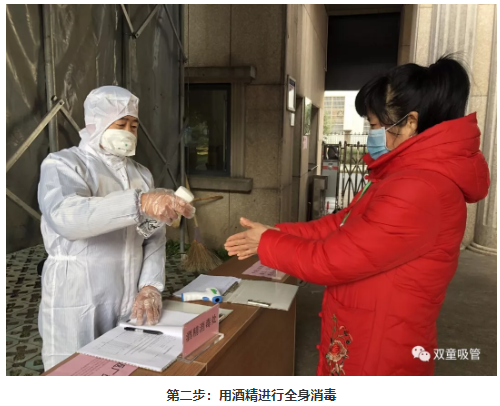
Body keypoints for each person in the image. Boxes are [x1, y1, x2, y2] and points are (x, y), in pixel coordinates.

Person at [225, 56, 490, 376]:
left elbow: (332, 259)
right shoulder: (404, 177)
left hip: (378, 352)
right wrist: (278, 233)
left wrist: (268, 243)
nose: (371, 135)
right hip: (370, 331)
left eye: (376, 126)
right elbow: (342, 225)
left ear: (410, 122)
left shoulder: (419, 189)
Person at [37, 86, 195, 371]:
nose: (128, 132)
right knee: (73, 375)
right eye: (120, 124)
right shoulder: (64, 164)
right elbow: (67, 217)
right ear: (94, 124)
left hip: (128, 298)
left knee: (121, 372)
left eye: (133, 125)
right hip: (77, 299)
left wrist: (150, 286)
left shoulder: (140, 175)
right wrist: (140, 202)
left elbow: (152, 237)